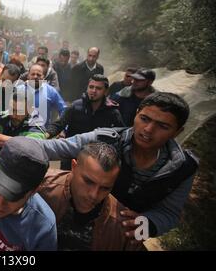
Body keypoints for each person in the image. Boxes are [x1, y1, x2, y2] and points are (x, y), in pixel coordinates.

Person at [35, 92, 198, 238]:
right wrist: (12, 143)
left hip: (119, 236)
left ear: (177, 132)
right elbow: (52, 148)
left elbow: (169, 212)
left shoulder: (183, 168)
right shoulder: (105, 138)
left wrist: (147, 225)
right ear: (136, 114)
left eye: (162, 126)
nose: (148, 129)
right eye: (144, 119)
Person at [38, 142, 144, 250]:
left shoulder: (124, 227)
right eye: (88, 181)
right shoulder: (39, 187)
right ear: (74, 167)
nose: (94, 195)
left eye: (105, 188)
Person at [46, 74, 124, 170]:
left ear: (106, 91)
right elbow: (60, 123)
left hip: (96, 160)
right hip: (72, 154)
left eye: (98, 88)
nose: (93, 91)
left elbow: (121, 134)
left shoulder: (112, 112)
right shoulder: (76, 106)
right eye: (91, 87)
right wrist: (47, 134)